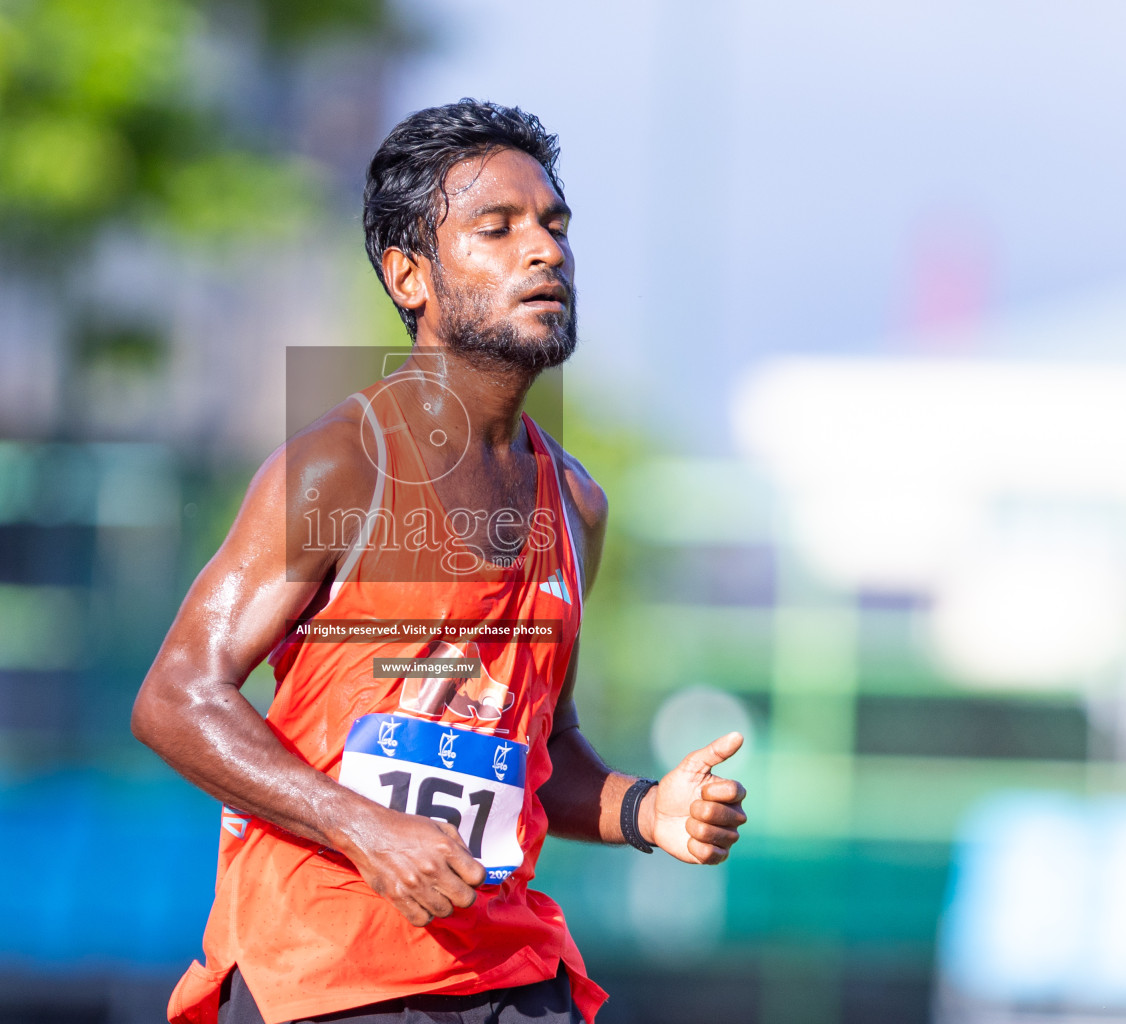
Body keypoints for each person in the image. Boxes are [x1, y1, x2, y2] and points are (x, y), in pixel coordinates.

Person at [131, 99, 748, 1024]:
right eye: (497, 229)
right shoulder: (341, 464)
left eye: (554, 225)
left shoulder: (574, 504)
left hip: (506, 971)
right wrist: (366, 828)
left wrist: (645, 811)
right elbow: (176, 697)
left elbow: (542, 747)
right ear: (411, 277)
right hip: (329, 974)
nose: (545, 251)